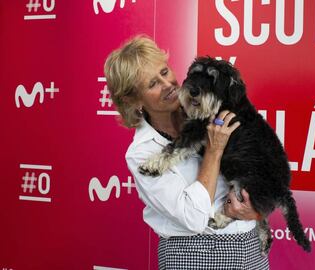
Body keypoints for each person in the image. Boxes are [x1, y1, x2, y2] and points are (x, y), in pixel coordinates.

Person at [104, 35, 269, 269]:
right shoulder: (142, 154)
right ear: (133, 100)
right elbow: (193, 218)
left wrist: (258, 208)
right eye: (152, 84)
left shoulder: (208, 105)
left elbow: (257, 162)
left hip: (251, 247)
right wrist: (213, 151)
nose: (168, 85)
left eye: (164, 71)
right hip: (192, 254)